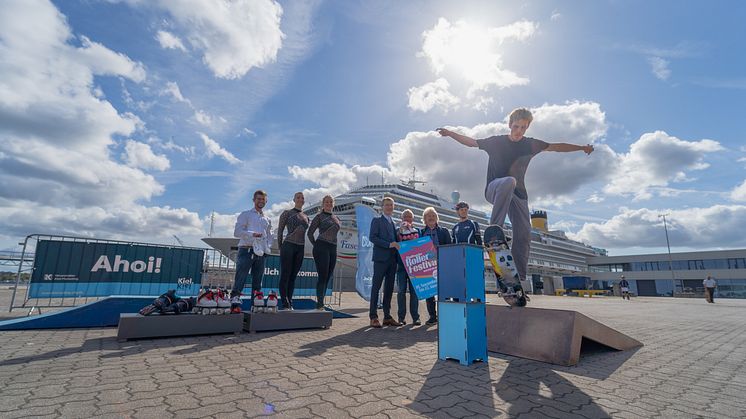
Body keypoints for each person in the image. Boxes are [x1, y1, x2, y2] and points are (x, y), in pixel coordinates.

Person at [437, 108, 593, 285]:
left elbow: (556, 147)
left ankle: (517, 279)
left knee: (524, 233)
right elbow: (471, 142)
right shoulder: (496, 142)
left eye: (524, 128)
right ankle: (494, 231)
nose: (519, 131)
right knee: (509, 181)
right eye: (516, 126)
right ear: (510, 125)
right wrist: (450, 133)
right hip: (494, 190)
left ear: (527, 127)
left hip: (518, 196)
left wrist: (581, 148)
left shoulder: (530, 144)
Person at [232, 190, 273, 305]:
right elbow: (237, 232)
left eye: (263, 199)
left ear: (266, 201)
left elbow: (270, 235)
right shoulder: (246, 214)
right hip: (246, 249)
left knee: (258, 281)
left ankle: (256, 302)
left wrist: (268, 247)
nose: (261, 201)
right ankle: (235, 299)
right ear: (254, 200)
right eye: (258, 199)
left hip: (261, 252)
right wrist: (252, 234)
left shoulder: (267, 219)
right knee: (241, 277)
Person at [368, 197, 402, 328]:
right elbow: (372, 237)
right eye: (387, 205)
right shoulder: (377, 221)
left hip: (392, 261)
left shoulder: (393, 223)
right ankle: (373, 316)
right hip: (380, 259)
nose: (389, 207)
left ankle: (387, 316)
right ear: (382, 207)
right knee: (376, 288)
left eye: (391, 205)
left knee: (388, 289)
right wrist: (389, 244)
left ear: (393, 207)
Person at [420, 206, 452, 324]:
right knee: (429, 292)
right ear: (424, 219)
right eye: (429, 216)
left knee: (444, 291)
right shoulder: (422, 232)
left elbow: (450, 248)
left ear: (437, 218)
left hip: (442, 264)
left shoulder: (444, 231)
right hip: (427, 266)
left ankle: (444, 314)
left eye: (433, 216)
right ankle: (432, 316)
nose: (431, 218)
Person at [308, 195, 341, 310]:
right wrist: (316, 245)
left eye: (331, 202)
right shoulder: (319, 216)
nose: (329, 204)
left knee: (328, 276)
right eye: (326, 202)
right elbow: (310, 233)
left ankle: (321, 301)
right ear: (323, 204)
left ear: (333, 204)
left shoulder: (336, 217)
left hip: (333, 248)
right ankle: (320, 304)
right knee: (322, 276)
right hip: (321, 247)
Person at [277, 192, 309, 310]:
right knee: (285, 274)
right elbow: (280, 231)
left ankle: (290, 301)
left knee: (293, 276)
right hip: (288, 246)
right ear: (294, 199)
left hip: (300, 247)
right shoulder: (287, 213)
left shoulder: (306, 217)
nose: (300, 199)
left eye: (302, 198)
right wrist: (281, 247)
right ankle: (284, 302)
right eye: (298, 197)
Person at [396, 209, 421, 326]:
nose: (407, 219)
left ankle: (416, 317)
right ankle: (401, 317)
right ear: (402, 218)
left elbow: (421, 247)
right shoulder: (397, 231)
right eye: (405, 216)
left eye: (409, 217)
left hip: (414, 267)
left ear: (413, 219)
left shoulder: (418, 231)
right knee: (401, 292)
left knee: (414, 293)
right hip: (401, 266)